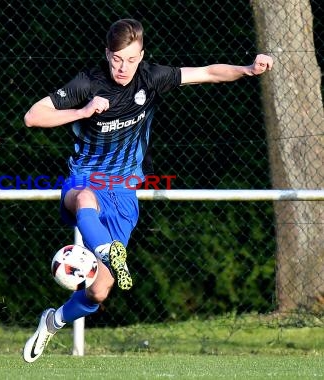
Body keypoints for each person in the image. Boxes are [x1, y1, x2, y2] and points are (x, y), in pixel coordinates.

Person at [22, 18, 273, 362]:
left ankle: (53, 320)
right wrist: (81, 111)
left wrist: (247, 69)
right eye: (116, 59)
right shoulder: (88, 82)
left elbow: (208, 73)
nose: (123, 67)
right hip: (85, 179)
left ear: (141, 55)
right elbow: (33, 116)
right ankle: (109, 251)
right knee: (83, 198)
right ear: (106, 53)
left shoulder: (151, 78)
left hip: (124, 192)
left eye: (131, 59)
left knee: (98, 292)